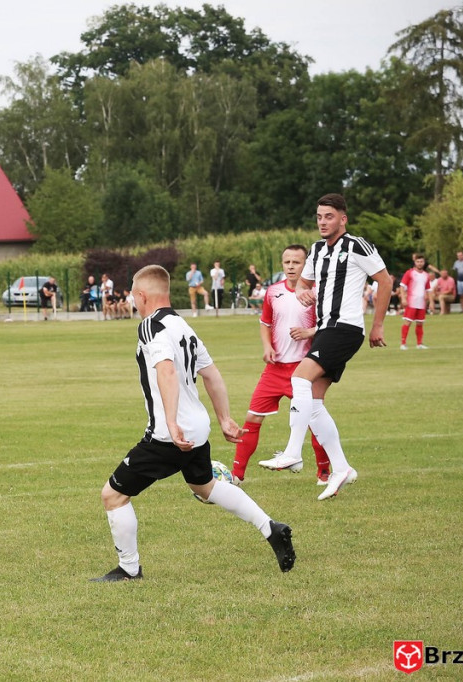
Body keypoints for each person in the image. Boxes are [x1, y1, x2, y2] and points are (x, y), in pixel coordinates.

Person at [92, 264, 295, 582]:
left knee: (113, 495)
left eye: (134, 295)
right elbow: (211, 374)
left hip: (170, 435)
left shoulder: (150, 326)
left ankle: (129, 569)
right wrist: (225, 419)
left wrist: (171, 424)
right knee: (205, 486)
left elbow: (167, 371)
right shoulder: (184, 326)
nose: (133, 301)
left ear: (142, 295)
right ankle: (270, 527)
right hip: (198, 428)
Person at [258, 193, 392, 501]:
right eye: (319, 216)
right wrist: (305, 292)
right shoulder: (317, 250)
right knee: (315, 403)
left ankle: (293, 451)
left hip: (344, 328)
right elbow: (303, 284)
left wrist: (378, 325)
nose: (322, 222)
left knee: (299, 378)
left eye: (328, 216)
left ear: (343, 219)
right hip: (325, 330)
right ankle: (341, 468)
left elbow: (385, 282)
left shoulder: (357, 246)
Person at [232, 245, 331, 485]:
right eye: (287, 262)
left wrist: (309, 332)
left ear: (306, 265)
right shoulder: (272, 292)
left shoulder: (317, 293)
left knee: (314, 422)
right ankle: (236, 476)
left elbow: (332, 326)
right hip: (274, 371)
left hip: (305, 369)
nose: (290, 266)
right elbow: (265, 323)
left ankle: (325, 474)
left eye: (296, 262)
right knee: (252, 418)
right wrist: (267, 346)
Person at [399, 254, 431, 350]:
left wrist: (430, 302)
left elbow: (428, 289)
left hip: (421, 303)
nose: (420, 263)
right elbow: (402, 286)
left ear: (424, 263)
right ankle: (403, 343)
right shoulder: (409, 273)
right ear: (415, 262)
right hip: (412, 302)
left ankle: (419, 344)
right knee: (408, 322)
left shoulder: (426, 275)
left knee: (420, 323)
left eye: (421, 261)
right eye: (418, 261)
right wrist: (404, 299)